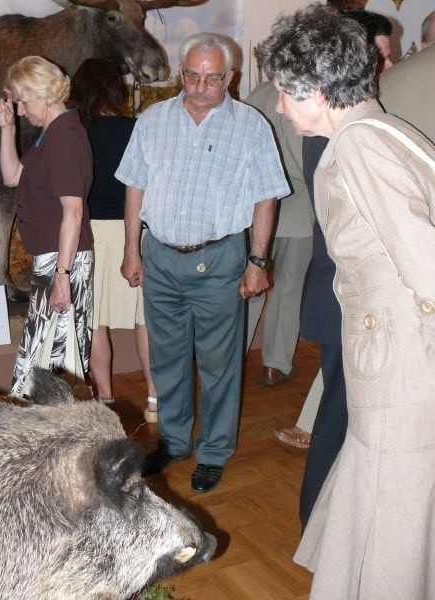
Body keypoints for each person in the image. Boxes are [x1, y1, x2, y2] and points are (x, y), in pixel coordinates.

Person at [262, 4, 435, 597]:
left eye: (285, 93)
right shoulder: (385, 131)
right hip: (391, 367)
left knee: (393, 529)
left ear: (314, 89)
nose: (279, 107)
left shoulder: (361, 148)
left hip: (401, 377)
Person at [116, 32, 290, 493]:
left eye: (212, 78)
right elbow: (134, 187)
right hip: (161, 258)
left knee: (219, 364)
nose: (200, 86)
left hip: (220, 261)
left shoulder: (251, 126)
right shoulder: (152, 121)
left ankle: (213, 451)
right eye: (192, 75)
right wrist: (132, 248)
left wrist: (257, 259)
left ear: (229, 78)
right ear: (182, 74)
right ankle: (174, 441)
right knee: (168, 359)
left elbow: (266, 196)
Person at [275, 8, 395, 458]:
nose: (385, 67)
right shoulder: (350, 138)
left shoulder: (356, 132)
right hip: (353, 301)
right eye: (377, 57)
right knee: (339, 425)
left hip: (349, 299)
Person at [0, 56, 93, 398]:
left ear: (44, 94)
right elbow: (12, 176)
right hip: (53, 261)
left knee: (56, 364)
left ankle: (57, 441)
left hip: (64, 262)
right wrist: (7, 129)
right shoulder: (50, 134)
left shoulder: (64, 138)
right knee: (41, 361)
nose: (19, 110)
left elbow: (73, 212)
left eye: (21, 101)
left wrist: (62, 276)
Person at [69, 58, 157, 418]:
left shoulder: (75, 131)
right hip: (135, 232)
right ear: (116, 90)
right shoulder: (137, 129)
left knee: (96, 322)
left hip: (92, 234)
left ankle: (105, 398)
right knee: (145, 322)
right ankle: (155, 399)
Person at [244, 82, 314, 386]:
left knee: (249, 289)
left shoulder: (257, 94)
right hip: (300, 206)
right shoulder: (308, 95)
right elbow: (308, 162)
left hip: (258, 207)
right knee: (289, 289)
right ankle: (275, 364)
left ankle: (232, 357)